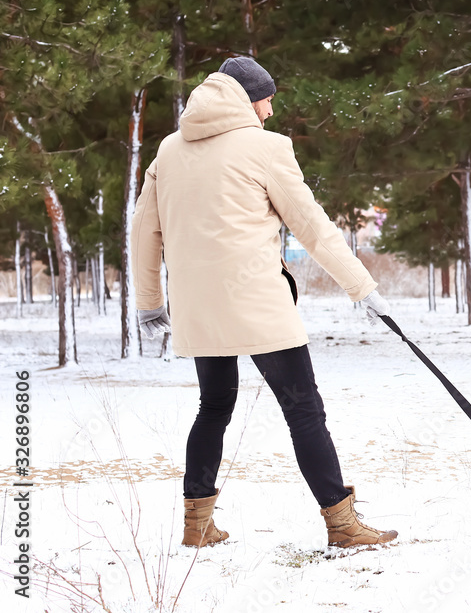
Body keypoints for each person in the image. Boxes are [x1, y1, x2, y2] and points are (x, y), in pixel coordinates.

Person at [130, 56, 397, 549]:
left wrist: (149, 301)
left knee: (213, 407)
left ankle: (197, 524)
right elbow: (312, 226)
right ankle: (342, 524)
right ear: (248, 99)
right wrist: (362, 286)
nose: (271, 111)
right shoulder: (266, 147)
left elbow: (144, 231)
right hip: (256, 301)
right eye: (268, 99)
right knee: (303, 410)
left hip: (198, 307)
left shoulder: (167, 152)